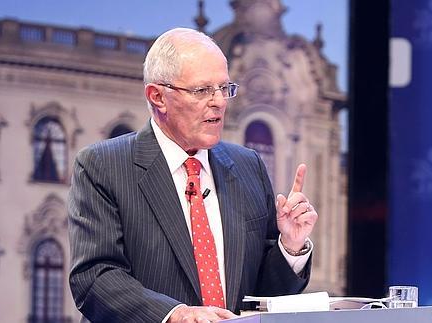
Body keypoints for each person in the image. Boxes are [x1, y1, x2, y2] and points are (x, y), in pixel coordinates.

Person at [68, 27, 319, 323]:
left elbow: (262, 296)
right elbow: (95, 278)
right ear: (157, 96)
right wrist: (174, 314)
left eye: (224, 88)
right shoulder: (102, 166)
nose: (219, 102)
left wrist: (289, 247)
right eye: (202, 90)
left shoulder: (248, 166)